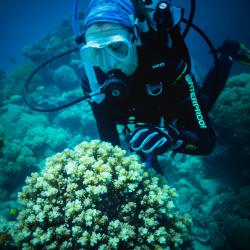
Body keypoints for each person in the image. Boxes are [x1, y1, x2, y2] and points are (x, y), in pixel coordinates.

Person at [80, 0, 250, 175]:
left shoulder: (167, 64)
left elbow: (206, 143)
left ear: (135, 36)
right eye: (94, 51)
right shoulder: (93, 79)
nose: (107, 63)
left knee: (205, 101)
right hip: (137, 120)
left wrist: (175, 137)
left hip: (172, 109)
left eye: (117, 46)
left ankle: (230, 52)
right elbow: (109, 142)